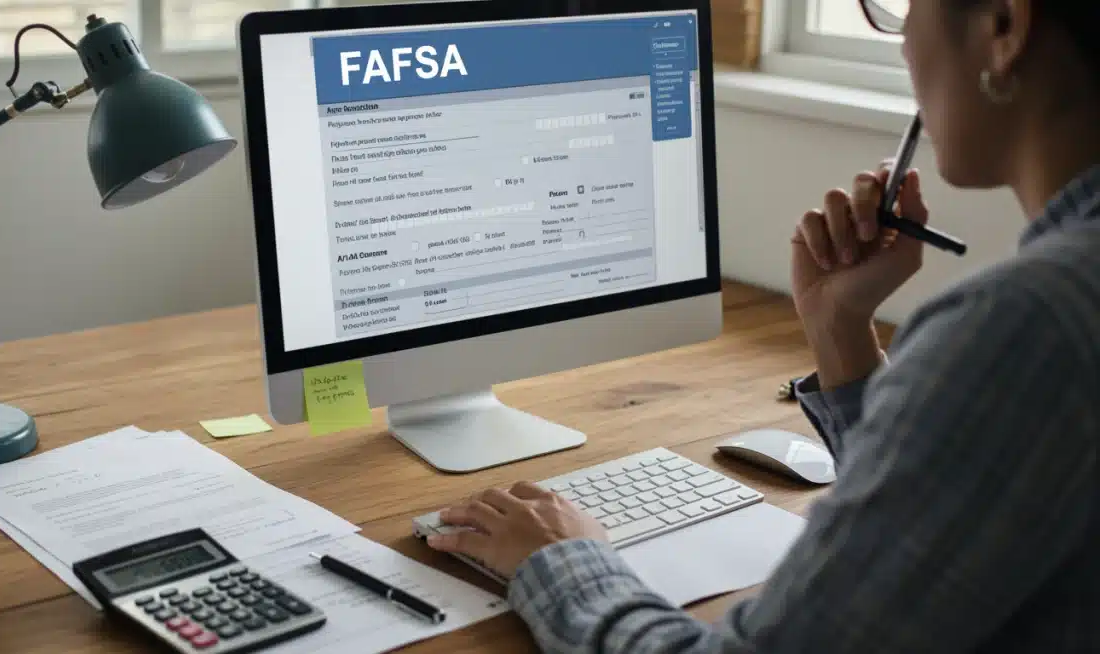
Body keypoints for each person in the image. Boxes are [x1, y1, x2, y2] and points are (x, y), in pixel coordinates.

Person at [426, 1, 1100, 651]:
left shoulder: (1024, 326)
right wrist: (840, 329)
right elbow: (951, 518)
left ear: (1006, 24)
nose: (900, 41)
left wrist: (562, 560)